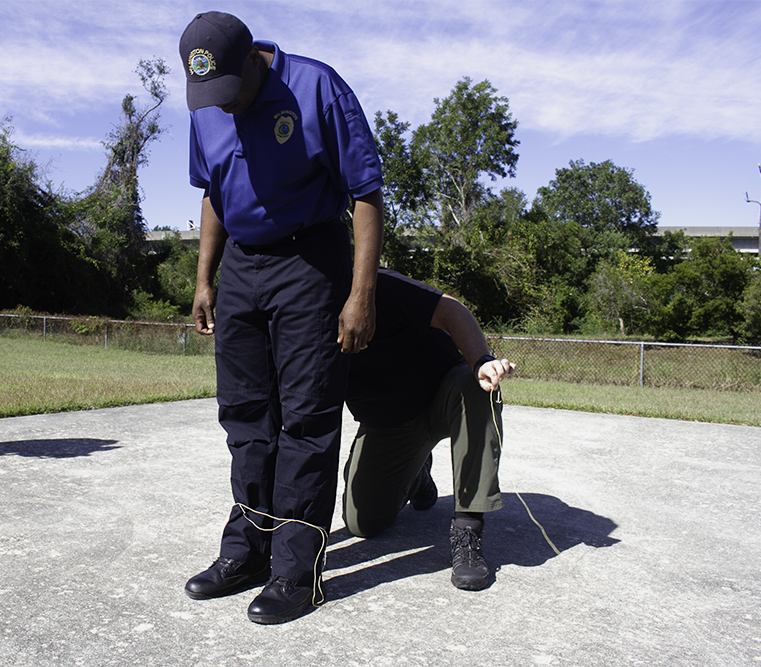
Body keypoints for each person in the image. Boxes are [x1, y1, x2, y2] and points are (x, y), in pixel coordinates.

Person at [178, 12, 384, 624]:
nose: (222, 107)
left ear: (253, 60)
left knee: (306, 416)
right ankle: (248, 550)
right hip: (240, 265)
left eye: (228, 90)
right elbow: (213, 191)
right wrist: (204, 279)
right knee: (244, 412)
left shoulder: (317, 87)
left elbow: (367, 191)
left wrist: (360, 293)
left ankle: (298, 570)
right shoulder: (208, 104)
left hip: (309, 261)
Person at [342, 268, 515, 591]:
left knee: (476, 386)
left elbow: (451, 309)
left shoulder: (371, 286)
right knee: (361, 522)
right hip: (388, 423)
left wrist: (481, 361)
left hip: (443, 394)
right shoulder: (294, 310)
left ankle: (468, 528)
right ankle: (416, 472)